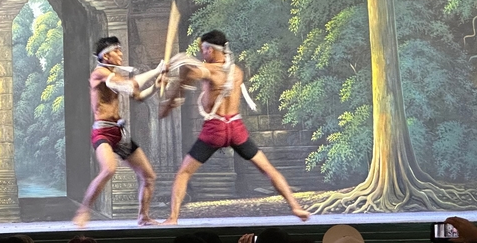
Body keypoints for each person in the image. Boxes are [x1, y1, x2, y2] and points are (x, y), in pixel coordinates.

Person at [159, 30, 310, 224]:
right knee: (268, 169)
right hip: (236, 128)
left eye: (204, 49)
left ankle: (172, 217)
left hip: (215, 129)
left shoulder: (208, 70)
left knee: (184, 173)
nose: (202, 54)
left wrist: (168, 100)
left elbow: (190, 74)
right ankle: (295, 207)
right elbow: (195, 68)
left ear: (212, 50)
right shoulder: (237, 71)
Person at [72, 36, 165, 227]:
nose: (121, 54)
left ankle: (143, 216)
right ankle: (83, 211)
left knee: (149, 176)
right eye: (117, 51)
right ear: (106, 56)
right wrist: (156, 71)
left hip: (118, 133)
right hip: (102, 132)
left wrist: (155, 86)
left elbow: (138, 95)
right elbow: (130, 85)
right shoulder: (99, 73)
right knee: (109, 169)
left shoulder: (114, 76)